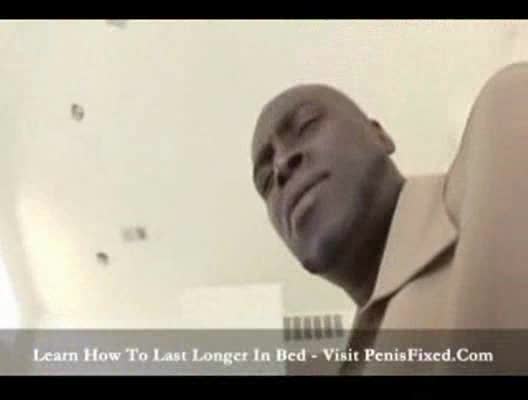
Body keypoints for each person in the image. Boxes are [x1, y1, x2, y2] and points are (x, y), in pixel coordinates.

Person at [250, 62, 528, 375]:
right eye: (265, 180)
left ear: (379, 135)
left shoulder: (508, 114)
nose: (281, 165)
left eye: (306, 125)